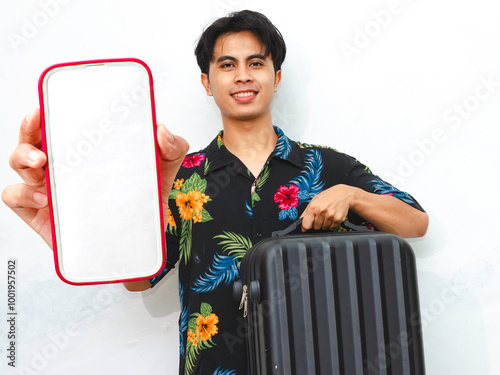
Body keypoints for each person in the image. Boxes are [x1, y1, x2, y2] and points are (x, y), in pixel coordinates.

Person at [3, 9, 428, 375]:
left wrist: (351, 196)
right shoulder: (181, 178)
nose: (243, 75)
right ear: (207, 82)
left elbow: (415, 222)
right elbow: (139, 281)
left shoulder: (326, 165)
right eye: (227, 65)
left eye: (255, 63)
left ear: (276, 77)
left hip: (319, 360)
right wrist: (79, 225)